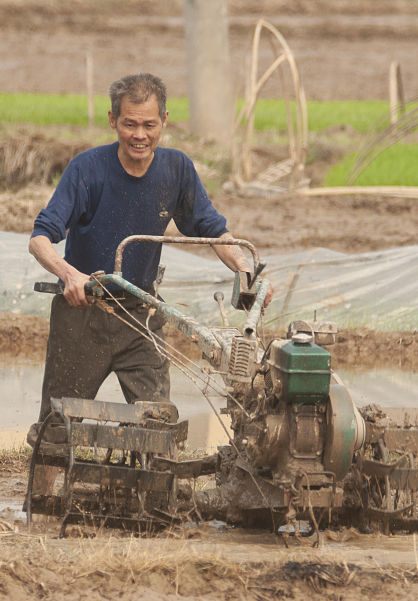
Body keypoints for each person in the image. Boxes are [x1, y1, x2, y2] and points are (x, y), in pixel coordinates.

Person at [27, 72, 268, 490]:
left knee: (157, 421)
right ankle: (42, 502)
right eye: (130, 124)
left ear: (164, 122)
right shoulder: (87, 170)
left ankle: (155, 506)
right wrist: (69, 274)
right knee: (57, 424)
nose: (140, 135)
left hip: (140, 317)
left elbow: (212, 229)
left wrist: (243, 266)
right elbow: (40, 237)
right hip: (84, 314)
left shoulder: (176, 170)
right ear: (113, 121)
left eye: (149, 125)